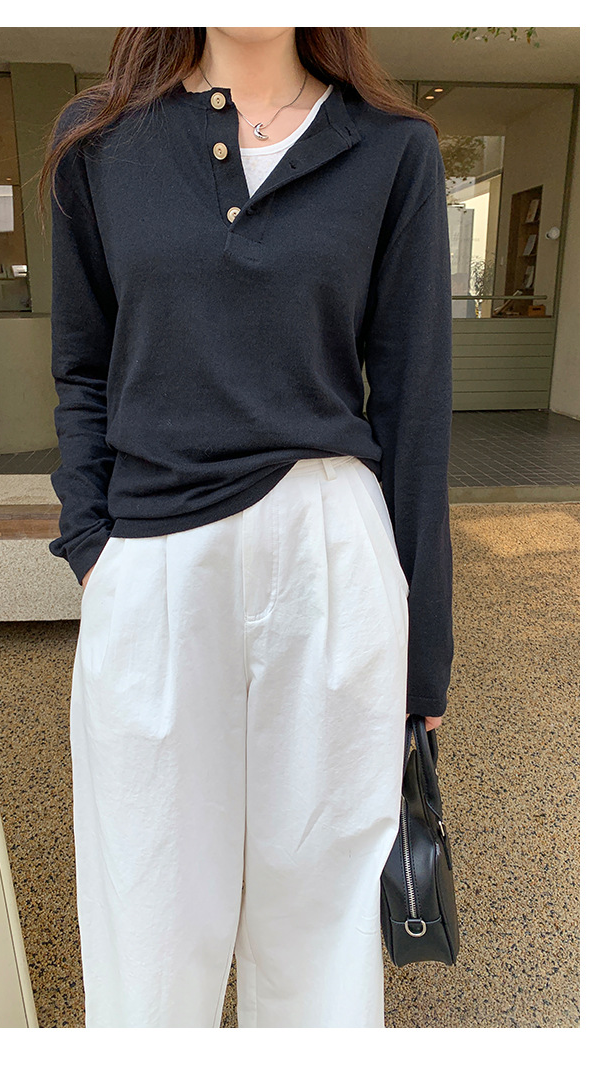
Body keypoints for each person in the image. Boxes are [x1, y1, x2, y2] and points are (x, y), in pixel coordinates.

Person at [38, 26, 454, 1028]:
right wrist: (94, 546)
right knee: (147, 912)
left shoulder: (391, 147)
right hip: (153, 557)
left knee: (321, 925)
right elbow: (82, 366)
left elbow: (414, 402)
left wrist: (424, 654)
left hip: (330, 547)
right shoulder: (99, 140)